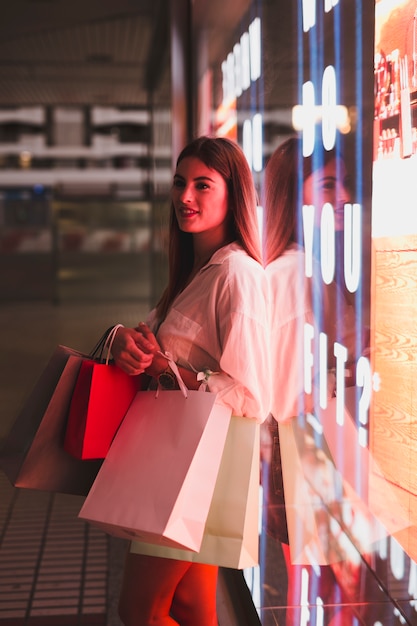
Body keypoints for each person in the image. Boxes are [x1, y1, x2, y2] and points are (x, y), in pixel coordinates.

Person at [109, 136, 271, 626]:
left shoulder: (237, 273)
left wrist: (165, 369)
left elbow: (250, 393)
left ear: (233, 193)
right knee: (190, 607)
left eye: (203, 184)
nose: (185, 197)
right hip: (180, 456)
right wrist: (127, 341)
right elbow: (163, 346)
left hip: (198, 464)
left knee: (140, 610)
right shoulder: (195, 270)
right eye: (181, 183)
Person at [262, 136, 362, 625]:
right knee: (341, 592)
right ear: (292, 195)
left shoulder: (308, 265)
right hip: (314, 450)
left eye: (344, 183)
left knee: (320, 593)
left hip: (306, 450)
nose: (343, 197)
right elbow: (293, 387)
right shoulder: (298, 269)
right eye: (327, 185)